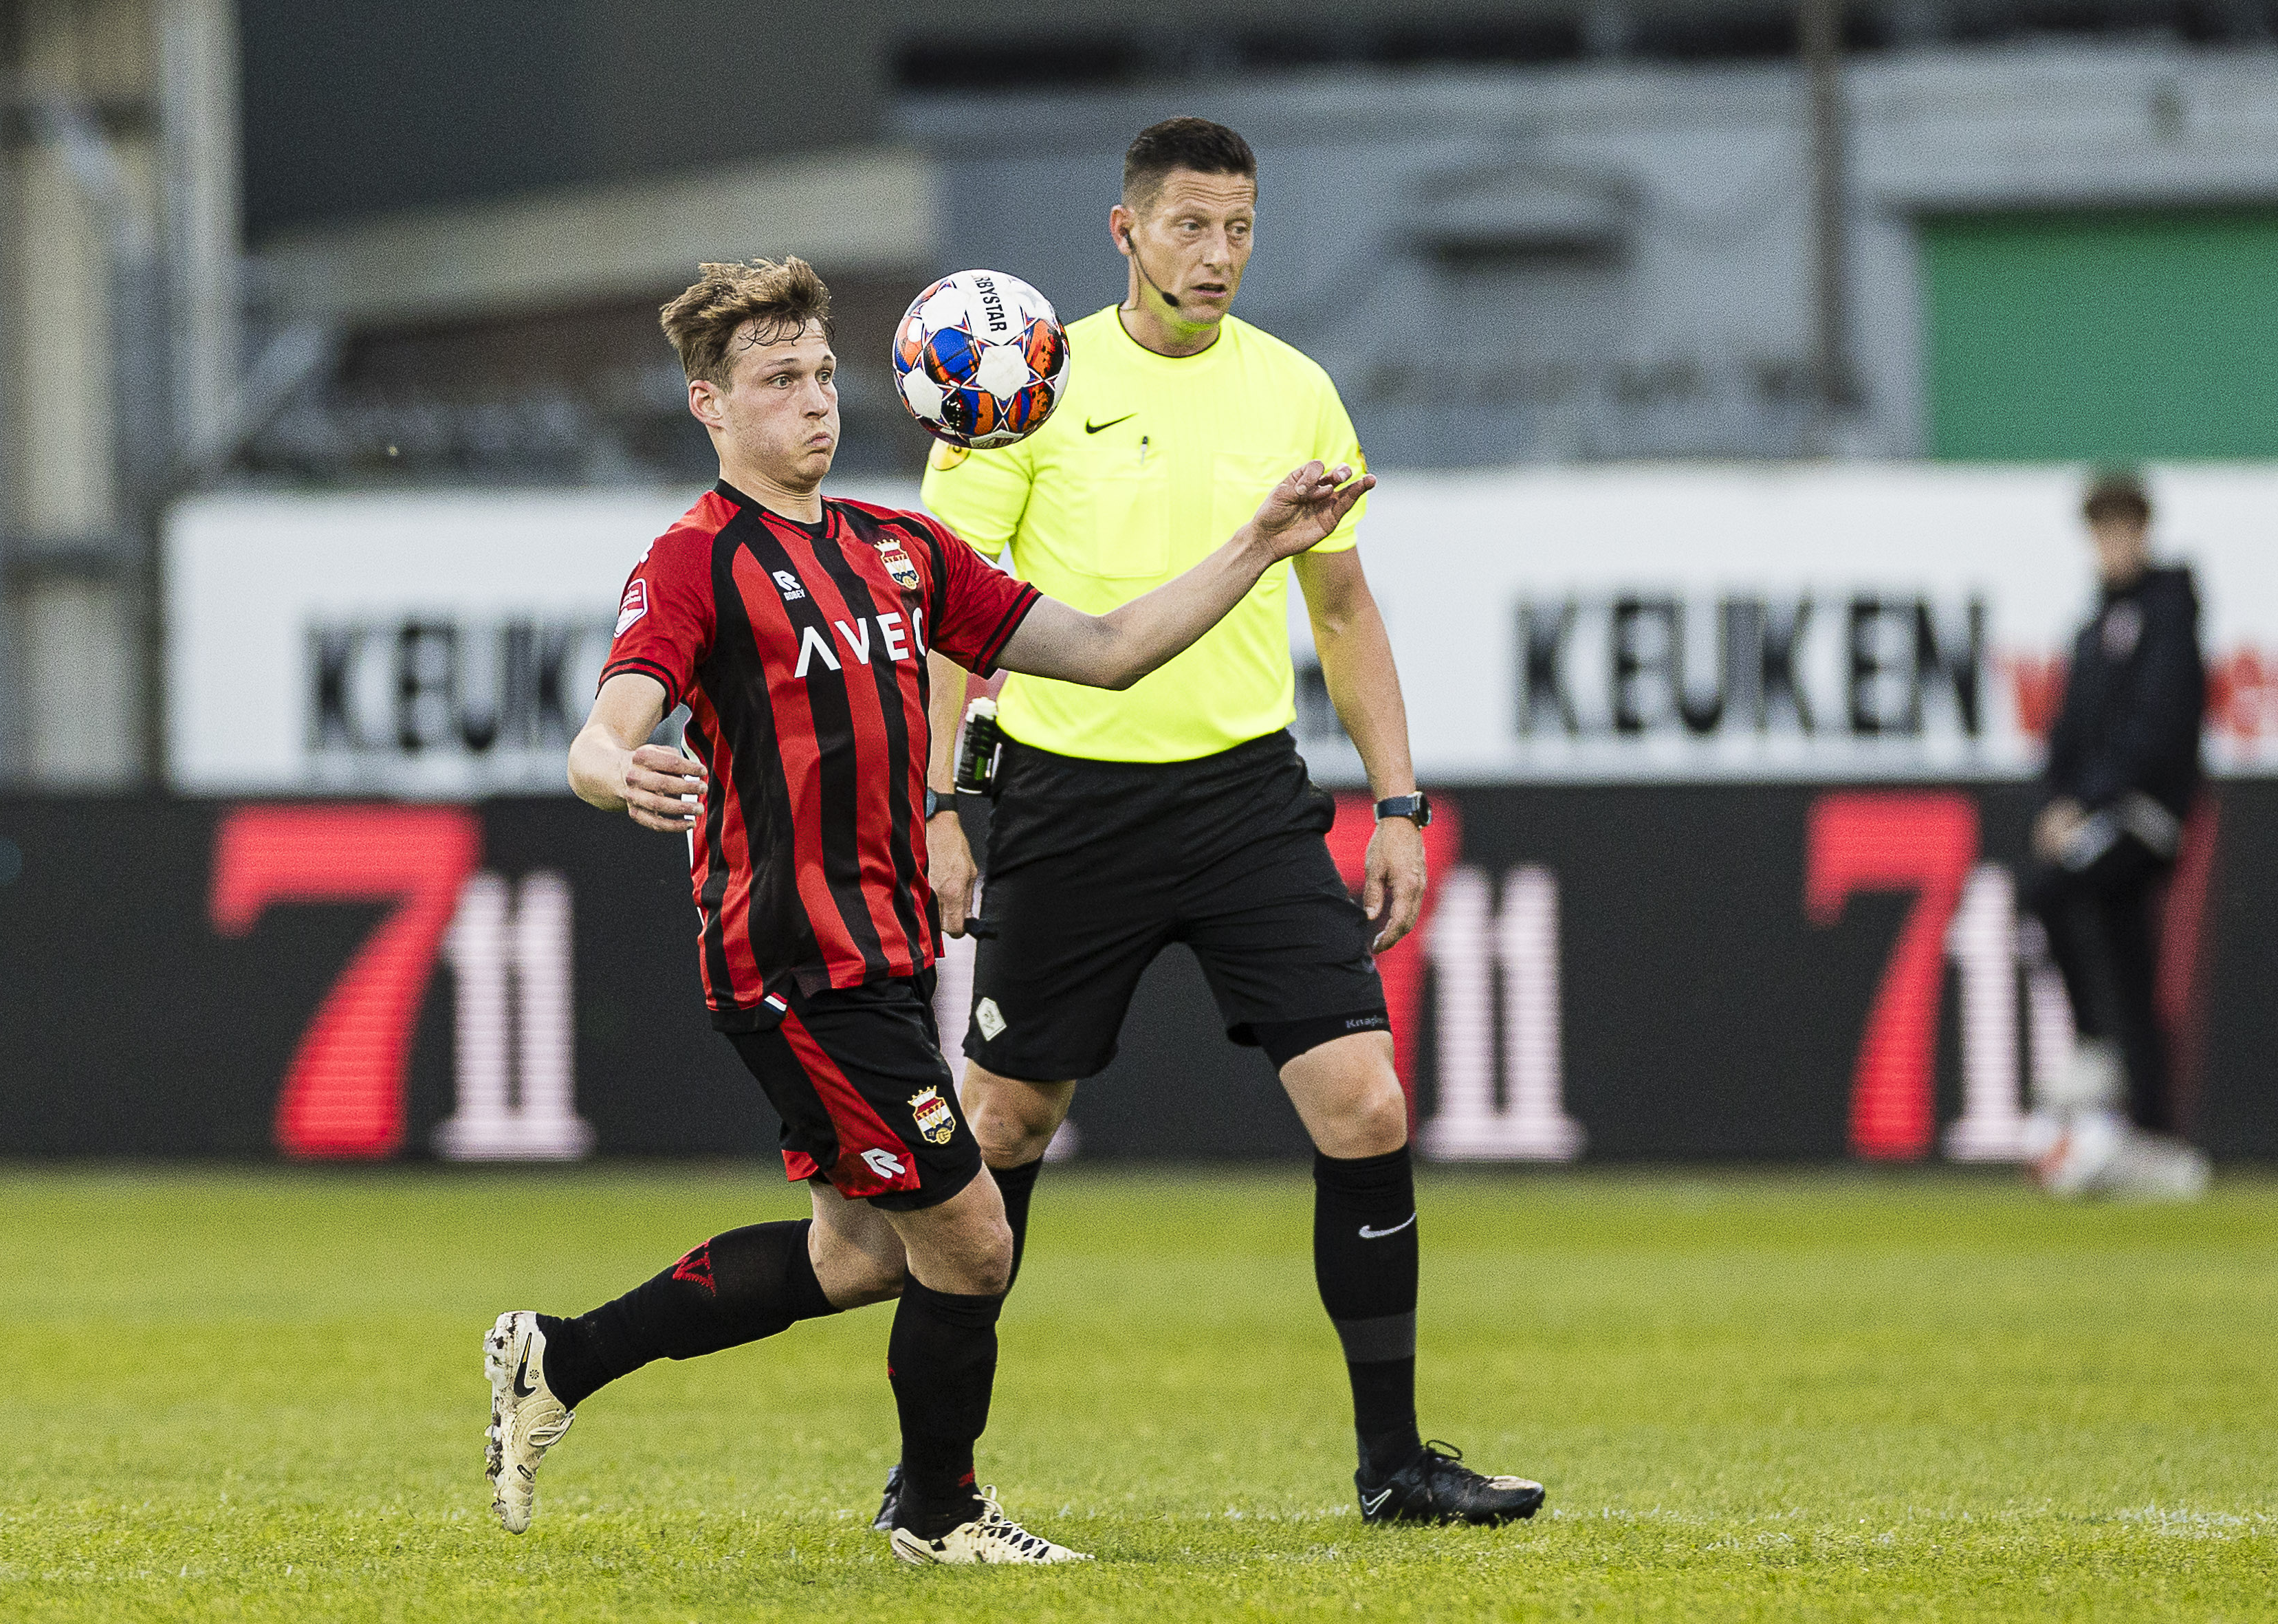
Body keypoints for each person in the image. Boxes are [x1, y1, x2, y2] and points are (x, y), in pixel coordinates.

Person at [483, 255, 1371, 1565]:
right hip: (791, 965)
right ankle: (941, 1511)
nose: (812, 403)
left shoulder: (901, 552)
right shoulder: (692, 562)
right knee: (972, 1235)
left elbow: (1110, 651)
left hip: (887, 957)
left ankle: (556, 1358)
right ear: (710, 408)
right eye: (776, 381)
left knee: (859, 1258)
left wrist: (1259, 541)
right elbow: (603, 729)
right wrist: (618, 771)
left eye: (821, 374)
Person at [899, 116, 1546, 1527]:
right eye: (1189, 226)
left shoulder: (1296, 391)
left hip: (1245, 792)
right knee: (1003, 1123)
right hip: (1067, 798)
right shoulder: (1027, 386)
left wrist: (1396, 800)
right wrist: (939, 800)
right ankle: (930, 1482)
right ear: (1123, 231)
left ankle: (1394, 1465)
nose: (1218, 254)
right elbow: (954, 613)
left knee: (1366, 1098)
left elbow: (1340, 603)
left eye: (1240, 227)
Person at [2021, 471, 2211, 1200]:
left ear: (2143, 532)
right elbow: (2067, 733)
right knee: (2132, 971)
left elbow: (2157, 732)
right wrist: (2055, 800)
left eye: (2123, 529)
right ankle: (2160, 1140)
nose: (2113, 545)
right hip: (2099, 813)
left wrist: (2089, 800)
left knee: (2046, 891)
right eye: (2101, 532)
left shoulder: (2167, 618)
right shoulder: (2093, 628)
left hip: (2143, 817)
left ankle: (2094, 1051)